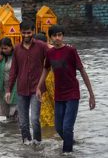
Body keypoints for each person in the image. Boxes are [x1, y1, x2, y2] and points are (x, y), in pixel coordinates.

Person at [36, 25, 95, 153]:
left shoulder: (71, 50)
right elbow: (46, 69)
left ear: (63, 36)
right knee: (58, 128)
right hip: (59, 94)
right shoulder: (50, 53)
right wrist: (38, 88)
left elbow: (82, 71)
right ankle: (71, 142)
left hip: (72, 93)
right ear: (50, 38)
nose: (57, 38)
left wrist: (91, 94)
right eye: (54, 35)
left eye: (60, 35)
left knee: (67, 127)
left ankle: (67, 153)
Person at [5, 20, 49, 145]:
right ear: (20, 32)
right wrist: (8, 90)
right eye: (23, 33)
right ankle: (26, 144)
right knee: (23, 122)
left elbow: (53, 55)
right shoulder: (17, 48)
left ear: (33, 31)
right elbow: (13, 70)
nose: (26, 35)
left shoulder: (41, 46)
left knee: (35, 119)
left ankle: (38, 144)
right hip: (21, 89)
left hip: (37, 89)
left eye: (28, 33)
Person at [34, 33, 55, 128]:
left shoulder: (51, 50)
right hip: (44, 86)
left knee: (56, 107)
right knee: (46, 111)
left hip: (52, 83)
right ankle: (50, 134)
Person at [0, 37, 18, 119]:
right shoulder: (0, 56)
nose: (4, 50)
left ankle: (15, 129)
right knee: (7, 110)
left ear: (11, 46)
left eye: (6, 48)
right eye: (2, 48)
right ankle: (9, 129)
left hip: (15, 86)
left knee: (14, 109)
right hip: (3, 86)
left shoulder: (16, 55)